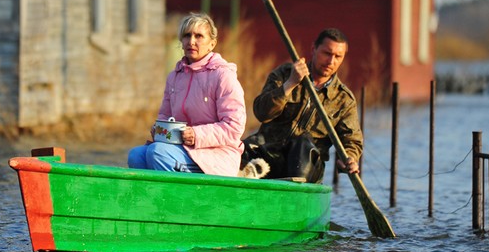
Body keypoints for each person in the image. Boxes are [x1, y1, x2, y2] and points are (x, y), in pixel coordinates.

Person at [128, 12, 246, 177]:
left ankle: (179, 200)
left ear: (212, 44)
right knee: (136, 156)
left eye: (199, 36)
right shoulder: (175, 77)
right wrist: (159, 130)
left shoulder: (223, 75)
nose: (191, 41)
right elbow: (166, 115)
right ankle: (154, 200)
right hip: (180, 149)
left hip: (218, 155)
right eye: (186, 35)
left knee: (157, 153)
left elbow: (234, 127)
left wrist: (197, 135)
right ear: (181, 41)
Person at [240, 28, 363, 183]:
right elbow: (261, 112)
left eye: (338, 56)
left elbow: (352, 141)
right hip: (270, 155)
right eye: (327, 53)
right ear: (314, 49)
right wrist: (290, 84)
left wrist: (349, 157)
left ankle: (296, 194)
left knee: (303, 144)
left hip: (306, 168)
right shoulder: (285, 73)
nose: (331, 61)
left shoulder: (344, 99)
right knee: (242, 148)